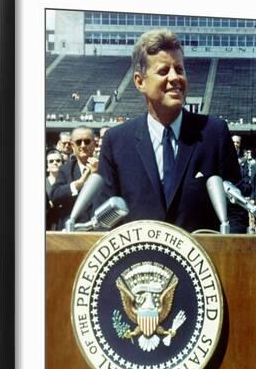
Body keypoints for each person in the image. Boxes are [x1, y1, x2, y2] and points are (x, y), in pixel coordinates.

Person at [98, 30, 246, 233]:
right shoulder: (116, 142)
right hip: (139, 263)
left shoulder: (214, 133)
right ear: (140, 81)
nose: (175, 77)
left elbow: (236, 212)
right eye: (163, 71)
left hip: (203, 263)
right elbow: (106, 222)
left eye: (179, 69)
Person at [50, 127, 99, 229]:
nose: (83, 145)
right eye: (78, 142)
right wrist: (79, 183)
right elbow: (54, 196)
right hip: (72, 229)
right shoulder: (66, 169)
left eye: (87, 141)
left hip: (99, 228)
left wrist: (97, 176)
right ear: (72, 145)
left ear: (94, 144)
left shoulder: (106, 168)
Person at [45, 149, 63, 230]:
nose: (55, 163)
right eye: (51, 161)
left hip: (62, 224)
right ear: (47, 166)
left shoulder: (68, 183)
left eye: (58, 161)